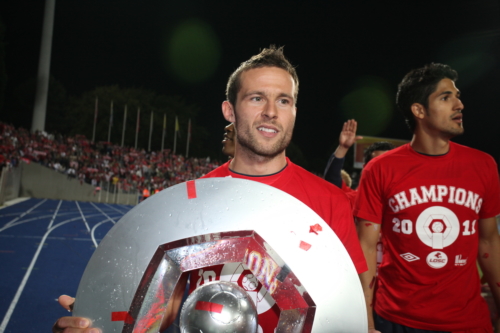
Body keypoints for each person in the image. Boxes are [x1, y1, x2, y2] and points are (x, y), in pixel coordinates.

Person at [53, 46, 367, 333]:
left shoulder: (330, 202)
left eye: (283, 100)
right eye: (257, 98)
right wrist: (100, 321)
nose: (271, 111)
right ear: (229, 111)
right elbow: (160, 306)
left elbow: (346, 306)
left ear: (294, 111)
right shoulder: (197, 198)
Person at [354, 63, 500, 333]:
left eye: (456, 95)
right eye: (446, 97)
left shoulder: (483, 165)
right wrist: (366, 317)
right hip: (397, 320)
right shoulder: (381, 168)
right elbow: (366, 246)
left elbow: (489, 240)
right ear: (419, 110)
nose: (459, 104)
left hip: (467, 321)